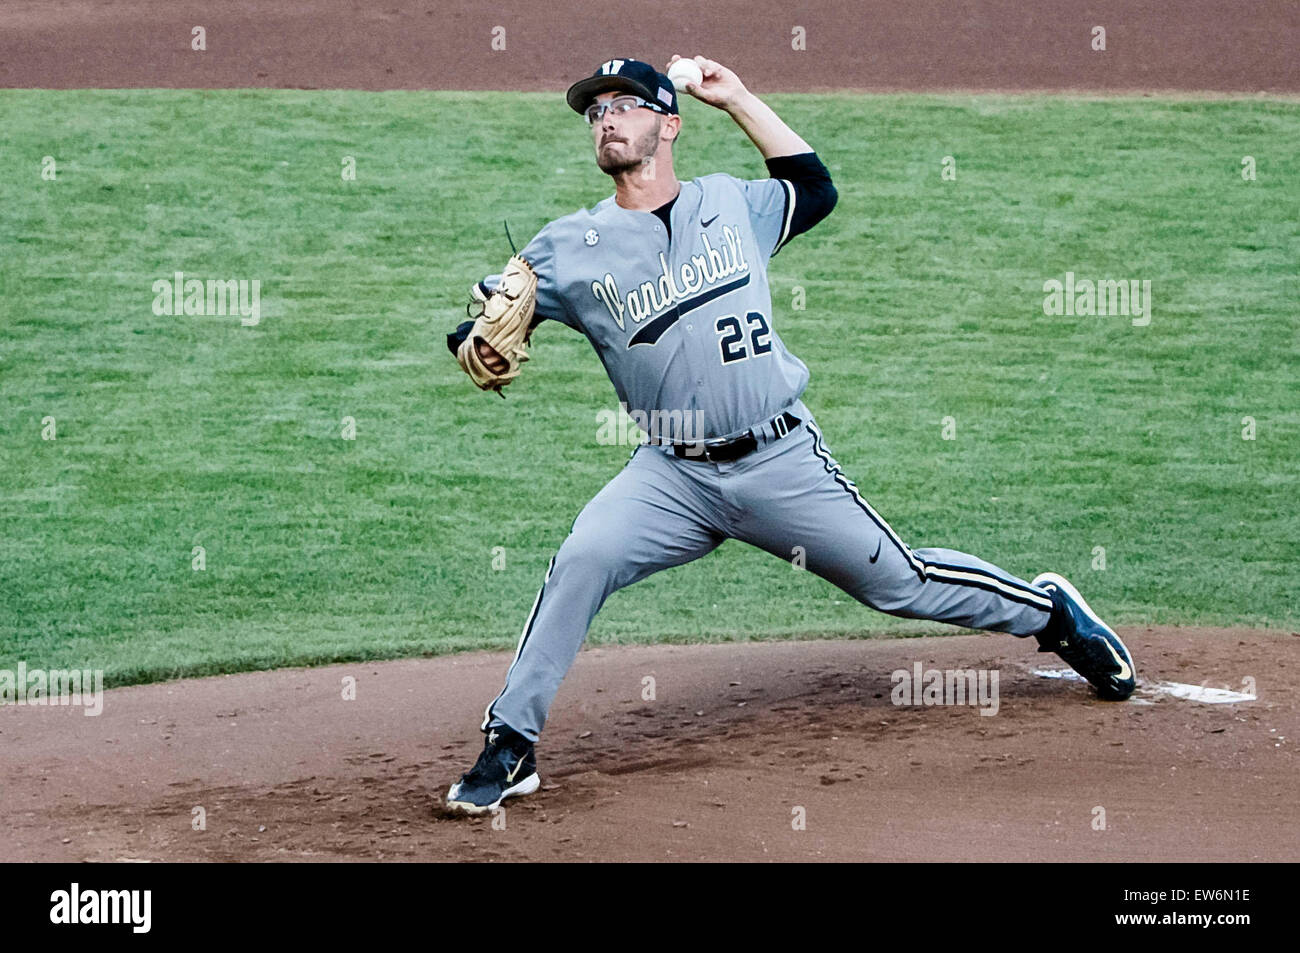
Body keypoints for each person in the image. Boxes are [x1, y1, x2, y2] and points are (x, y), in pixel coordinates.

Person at [443, 56, 1136, 816]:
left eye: (625, 104)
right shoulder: (566, 247)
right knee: (582, 558)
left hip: (779, 461)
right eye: (595, 109)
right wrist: (472, 340)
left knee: (898, 582)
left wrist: (735, 96)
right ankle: (510, 744)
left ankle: (1052, 614)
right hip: (670, 476)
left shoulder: (734, 204)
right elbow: (490, 324)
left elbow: (815, 187)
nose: (605, 118)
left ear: (668, 125)